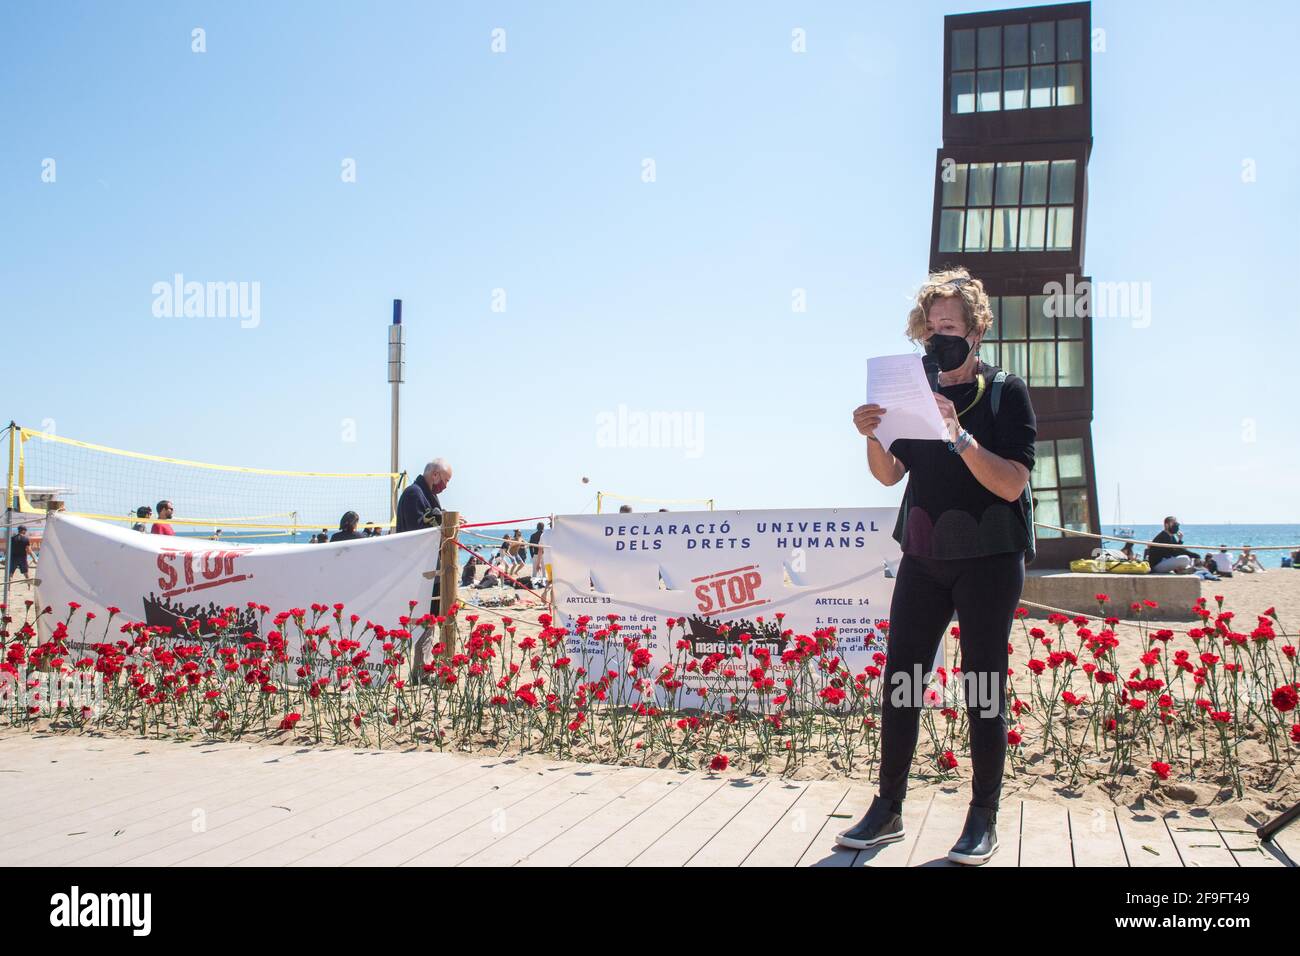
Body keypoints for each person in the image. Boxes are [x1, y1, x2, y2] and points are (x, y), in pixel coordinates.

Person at [843, 268, 1036, 865]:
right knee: (901, 680)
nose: (937, 338)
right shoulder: (912, 392)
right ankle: (889, 808)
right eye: (930, 328)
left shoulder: (1006, 392)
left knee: (983, 687)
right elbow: (888, 474)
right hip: (924, 555)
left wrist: (960, 436)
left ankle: (983, 817)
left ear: (976, 330)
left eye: (948, 327)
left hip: (989, 558)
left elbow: (1011, 485)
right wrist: (871, 435)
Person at [397, 460, 452, 533]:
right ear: (435, 475)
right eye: (446, 480)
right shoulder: (413, 493)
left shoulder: (429, 495)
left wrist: (451, 519)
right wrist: (446, 522)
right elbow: (417, 532)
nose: (445, 485)